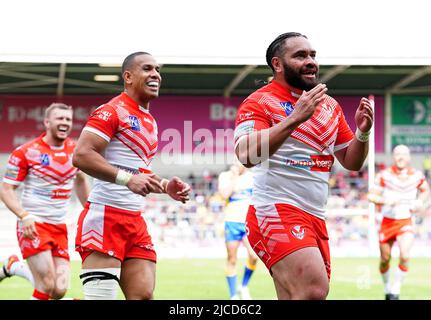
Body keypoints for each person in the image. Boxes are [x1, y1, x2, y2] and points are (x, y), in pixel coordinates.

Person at [233, 32, 374, 300]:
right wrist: (295, 118)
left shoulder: (329, 106)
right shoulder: (259, 101)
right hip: (275, 211)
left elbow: (352, 161)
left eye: (312, 55)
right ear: (277, 64)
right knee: (313, 291)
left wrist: (363, 133)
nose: (310, 61)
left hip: (316, 218)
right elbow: (245, 155)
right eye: (300, 56)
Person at [72, 51, 191, 300]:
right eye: (147, 69)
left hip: (134, 220)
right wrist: (126, 179)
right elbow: (82, 156)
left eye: (158, 69)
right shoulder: (111, 111)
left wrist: (165, 185)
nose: (156, 74)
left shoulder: (149, 120)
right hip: (106, 216)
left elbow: (139, 170)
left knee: (143, 295)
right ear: (128, 76)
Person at [0, 102, 90, 300]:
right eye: (60, 118)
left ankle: (14, 266)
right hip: (33, 225)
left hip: (60, 226)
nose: (65, 122)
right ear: (47, 122)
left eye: (68, 119)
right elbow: (6, 190)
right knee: (47, 283)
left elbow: (82, 181)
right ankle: (17, 267)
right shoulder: (26, 152)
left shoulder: (76, 152)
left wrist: (89, 212)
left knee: (59, 290)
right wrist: (24, 216)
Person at [368, 144, 430, 300]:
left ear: (409, 157)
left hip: (405, 221)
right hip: (387, 222)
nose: (401, 157)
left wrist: (420, 202)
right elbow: (371, 196)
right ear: (393, 157)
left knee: (404, 254)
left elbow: (425, 190)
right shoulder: (384, 175)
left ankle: (395, 288)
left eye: (404, 154)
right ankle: (387, 286)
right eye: (397, 154)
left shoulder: (417, 175)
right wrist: (384, 200)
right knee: (384, 259)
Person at [218, 162, 258, 300]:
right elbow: (224, 194)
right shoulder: (225, 176)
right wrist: (234, 177)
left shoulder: (253, 177)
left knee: (254, 256)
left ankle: (244, 285)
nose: (238, 164)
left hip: (248, 222)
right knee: (232, 259)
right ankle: (233, 295)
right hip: (232, 222)